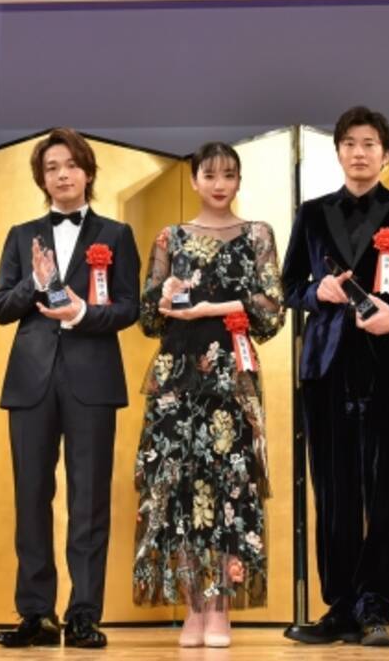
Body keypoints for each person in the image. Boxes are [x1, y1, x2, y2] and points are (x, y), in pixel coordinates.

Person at [281, 106, 389, 647]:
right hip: (326, 365)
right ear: (338, 152)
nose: (359, 152)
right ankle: (341, 607)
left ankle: (376, 605)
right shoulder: (312, 212)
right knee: (333, 489)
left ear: (385, 154)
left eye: (370, 143)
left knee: (388, 487)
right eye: (350, 143)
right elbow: (288, 286)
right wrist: (315, 291)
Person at [0, 128, 140, 650]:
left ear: (89, 172)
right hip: (30, 379)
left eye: (72, 165)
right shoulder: (21, 234)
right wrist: (34, 283)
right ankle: (36, 614)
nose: (62, 175)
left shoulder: (116, 234)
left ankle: (83, 614)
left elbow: (129, 307)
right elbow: (0, 307)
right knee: (31, 496)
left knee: (89, 500)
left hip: (92, 378)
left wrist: (81, 313)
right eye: (52, 167)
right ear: (41, 178)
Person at [133, 142, 285, 649]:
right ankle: (192, 608)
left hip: (230, 374)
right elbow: (149, 318)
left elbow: (272, 310)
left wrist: (216, 308)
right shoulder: (170, 236)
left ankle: (220, 610)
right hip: (176, 377)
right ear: (193, 180)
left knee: (229, 487)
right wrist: (164, 294)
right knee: (176, 485)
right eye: (210, 174)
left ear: (239, 181)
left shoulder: (258, 234)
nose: (220, 184)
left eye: (229, 174)